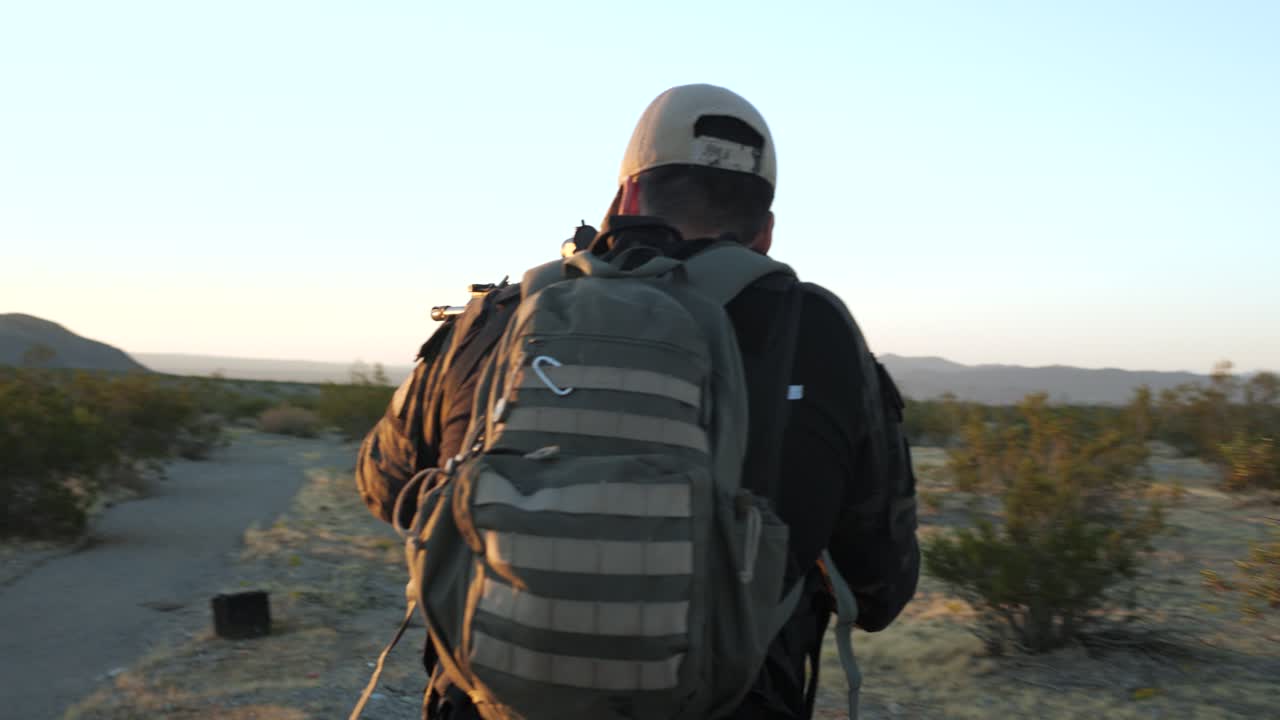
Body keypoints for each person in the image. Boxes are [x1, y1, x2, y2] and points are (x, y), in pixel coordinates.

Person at [356, 83, 920, 720]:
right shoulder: (820, 336)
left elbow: (382, 485)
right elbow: (880, 590)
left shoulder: (499, 318)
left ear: (625, 198)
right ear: (764, 233)